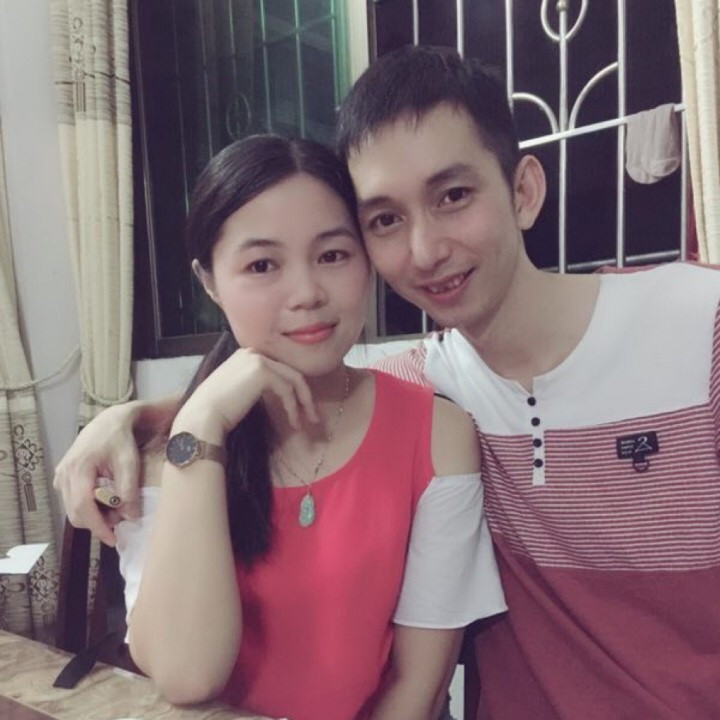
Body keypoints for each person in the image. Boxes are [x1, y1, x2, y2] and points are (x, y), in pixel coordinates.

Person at [54, 45, 720, 719]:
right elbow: (306, 396)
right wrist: (140, 417)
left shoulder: (701, 326)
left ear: (522, 191)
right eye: (386, 220)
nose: (425, 250)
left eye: (453, 196)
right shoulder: (433, 378)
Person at [98, 133, 505, 720]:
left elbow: (417, 690)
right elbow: (188, 676)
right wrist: (202, 424)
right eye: (262, 265)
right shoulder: (172, 453)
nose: (308, 293)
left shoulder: (437, 436)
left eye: (333, 255)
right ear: (210, 282)